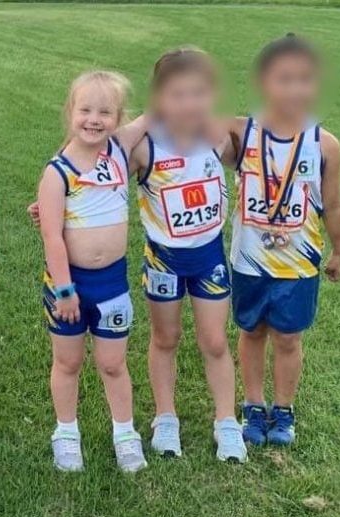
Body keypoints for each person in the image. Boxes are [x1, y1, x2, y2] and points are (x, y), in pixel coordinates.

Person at [225, 34, 340, 447]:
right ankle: (254, 405)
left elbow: (333, 205)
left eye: (305, 79)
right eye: (283, 78)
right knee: (253, 330)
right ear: (263, 83)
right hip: (248, 260)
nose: (295, 89)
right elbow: (183, 125)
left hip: (298, 263)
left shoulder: (325, 144)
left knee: (288, 337)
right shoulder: (241, 134)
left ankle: (284, 409)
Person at [131, 48, 247, 463]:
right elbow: (98, 156)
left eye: (199, 93)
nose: (190, 104)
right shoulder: (145, 147)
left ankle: (227, 421)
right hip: (164, 259)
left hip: (208, 258)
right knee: (166, 338)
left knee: (214, 340)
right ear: (160, 97)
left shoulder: (219, 138)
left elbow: (266, 149)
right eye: (177, 94)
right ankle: (165, 417)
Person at [37, 71, 151, 473]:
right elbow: (52, 237)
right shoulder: (57, 172)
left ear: (119, 118)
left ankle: (125, 433)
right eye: (85, 109)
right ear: (70, 112)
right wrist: (65, 290)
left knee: (113, 363)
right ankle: (66, 433)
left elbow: (156, 113)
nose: (94, 119)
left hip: (112, 283)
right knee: (67, 362)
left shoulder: (119, 150)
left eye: (105, 111)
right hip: (69, 286)